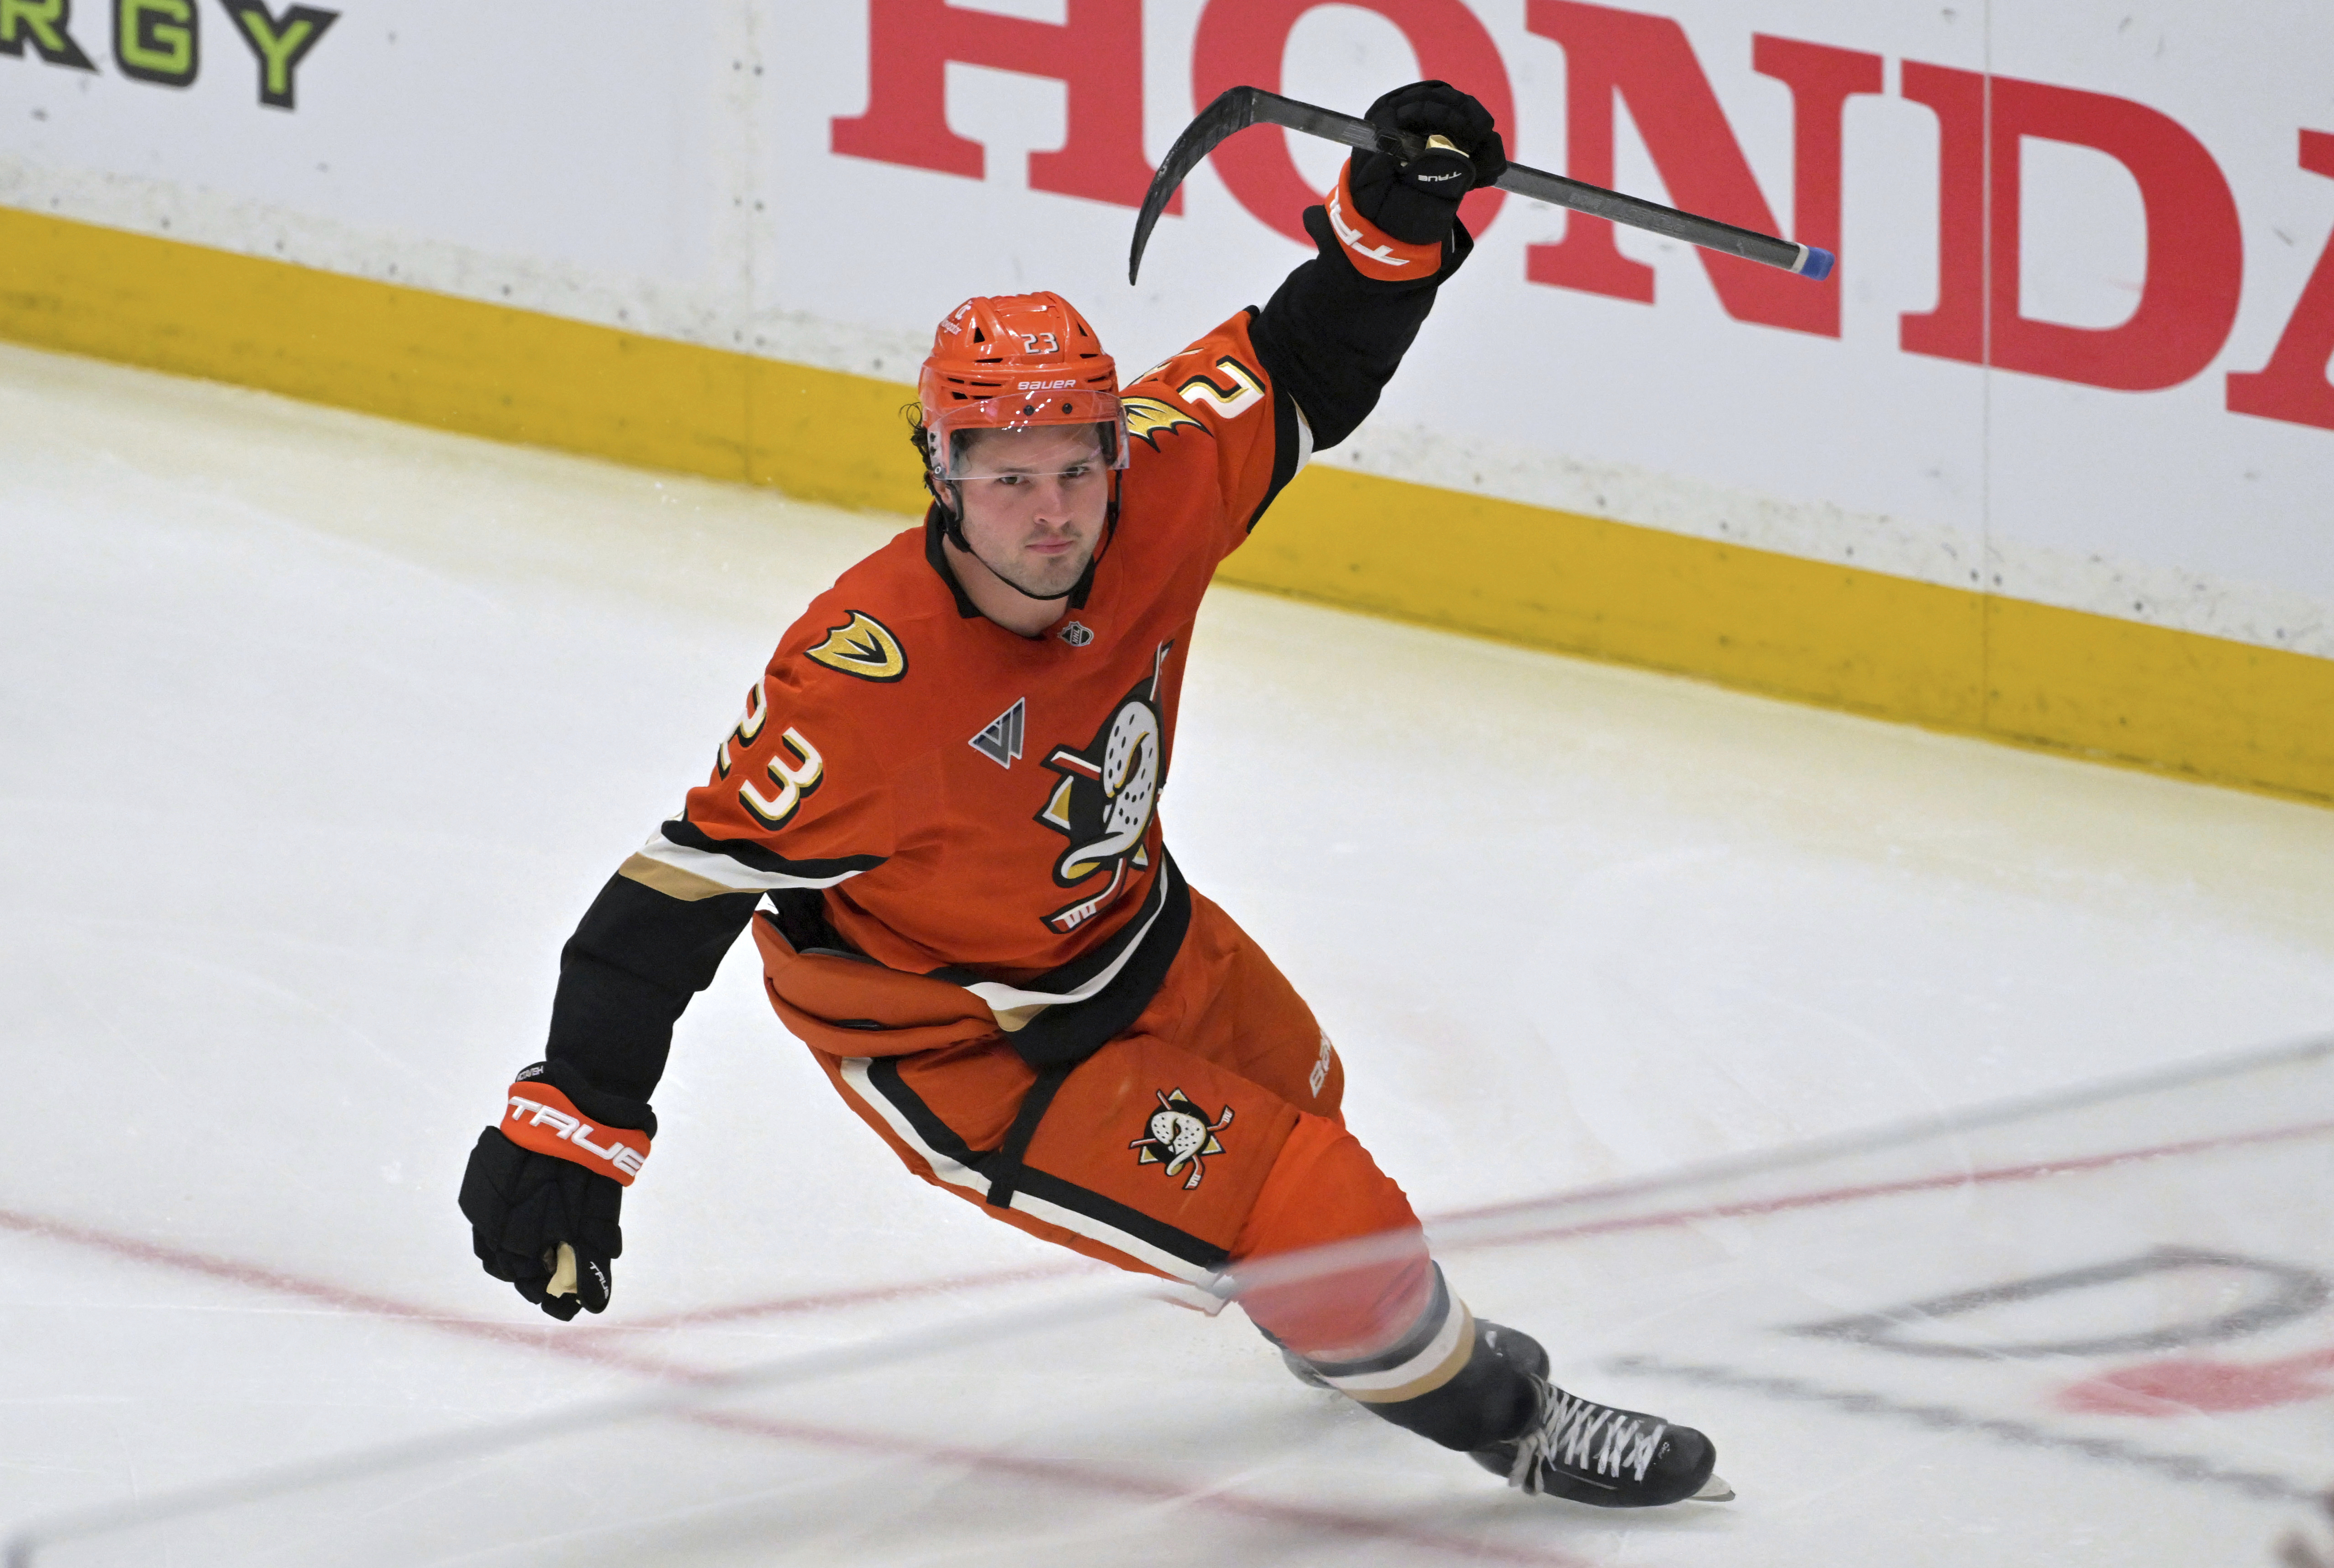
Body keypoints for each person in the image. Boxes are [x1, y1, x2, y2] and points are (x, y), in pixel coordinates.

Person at [458, 81, 1726, 1508]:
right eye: (1005, 477)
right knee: (1326, 1216)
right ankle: (1512, 1416)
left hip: (1140, 931)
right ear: (938, 469)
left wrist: (1393, 221)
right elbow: (679, 893)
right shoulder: (861, 681)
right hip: (969, 1043)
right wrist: (574, 1115)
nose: (1051, 513)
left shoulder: (1154, 485)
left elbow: (1301, 361)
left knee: (1310, 1099)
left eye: (1074, 467)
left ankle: (1348, 1321)